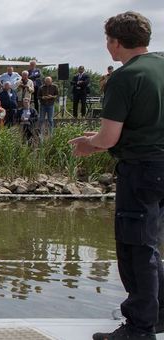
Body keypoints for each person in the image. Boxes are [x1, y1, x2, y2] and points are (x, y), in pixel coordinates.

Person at [70, 12, 164, 340]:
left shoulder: (126, 77)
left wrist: (88, 144)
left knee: (135, 247)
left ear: (116, 42)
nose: (107, 47)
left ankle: (139, 330)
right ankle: (159, 315)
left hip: (141, 171)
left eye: (108, 40)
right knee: (150, 245)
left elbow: (109, 139)